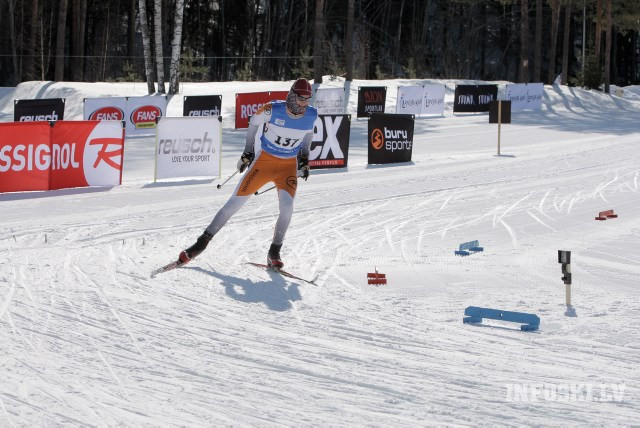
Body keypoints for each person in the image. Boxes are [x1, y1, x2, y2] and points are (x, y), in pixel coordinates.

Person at [177, 78, 317, 269]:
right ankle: (200, 243)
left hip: (287, 167)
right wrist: (248, 151)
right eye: (301, 99)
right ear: (292, 96)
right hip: (264, 163)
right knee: (234, 203)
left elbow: (308, 135)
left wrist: (305, 158)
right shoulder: (272, 110)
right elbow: (253, 124)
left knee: (287, 208)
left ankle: (274, 251)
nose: (305, 103)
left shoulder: (311, 114)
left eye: (308, 99)